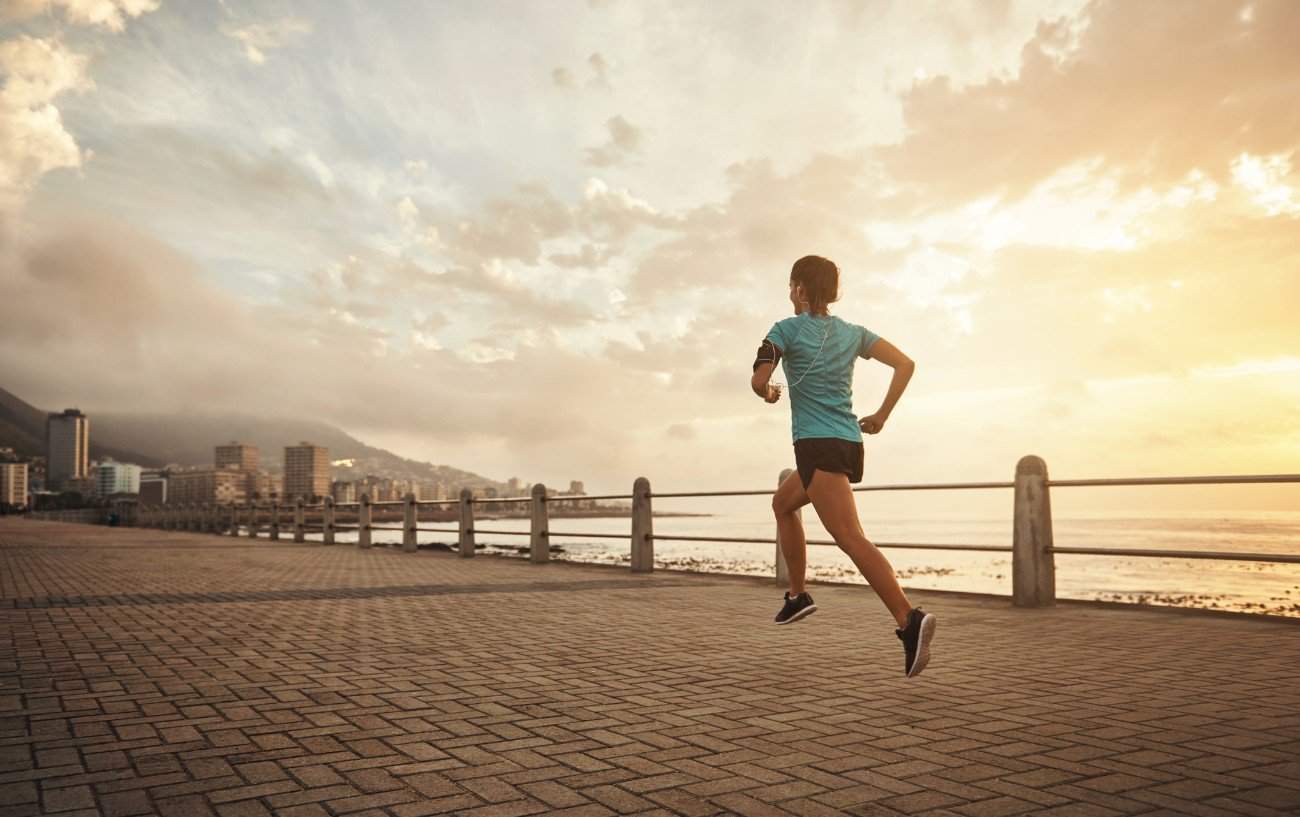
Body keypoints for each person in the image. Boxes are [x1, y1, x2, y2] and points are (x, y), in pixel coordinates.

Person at [751, 255, 936, 678]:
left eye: (791, 286)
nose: (790, 293)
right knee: (783, 504)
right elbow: (905, 364)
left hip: (816, 445)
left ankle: (909, 620)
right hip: (847, 441)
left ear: (798, 288)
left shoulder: (784, 329)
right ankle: (797, 595)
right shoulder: (853, 333)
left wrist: (767, 394)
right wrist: (882, 415)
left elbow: (760, 380)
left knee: (850, 537)